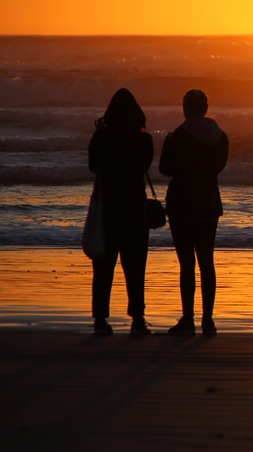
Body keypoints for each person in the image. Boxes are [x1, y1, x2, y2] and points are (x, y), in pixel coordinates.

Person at [160, 89, 229, 336]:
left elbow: (166, 169)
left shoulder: (178, 136)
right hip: (209, 201)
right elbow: (219, 166)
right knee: (207, 263)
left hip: (181, 203)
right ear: (206, 108)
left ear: (186, 109)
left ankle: (188, 320)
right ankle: (208, 321)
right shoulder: (221, 137)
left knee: (187, 264)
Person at [88, 88, 154, 336]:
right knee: (135, 266)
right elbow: (144, 166)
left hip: (108, 206)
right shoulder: (143, 140)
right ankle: (137, 319)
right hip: (135, 207)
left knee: (104, 265)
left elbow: (93, 166)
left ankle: (100, 319)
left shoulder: (102, 137)